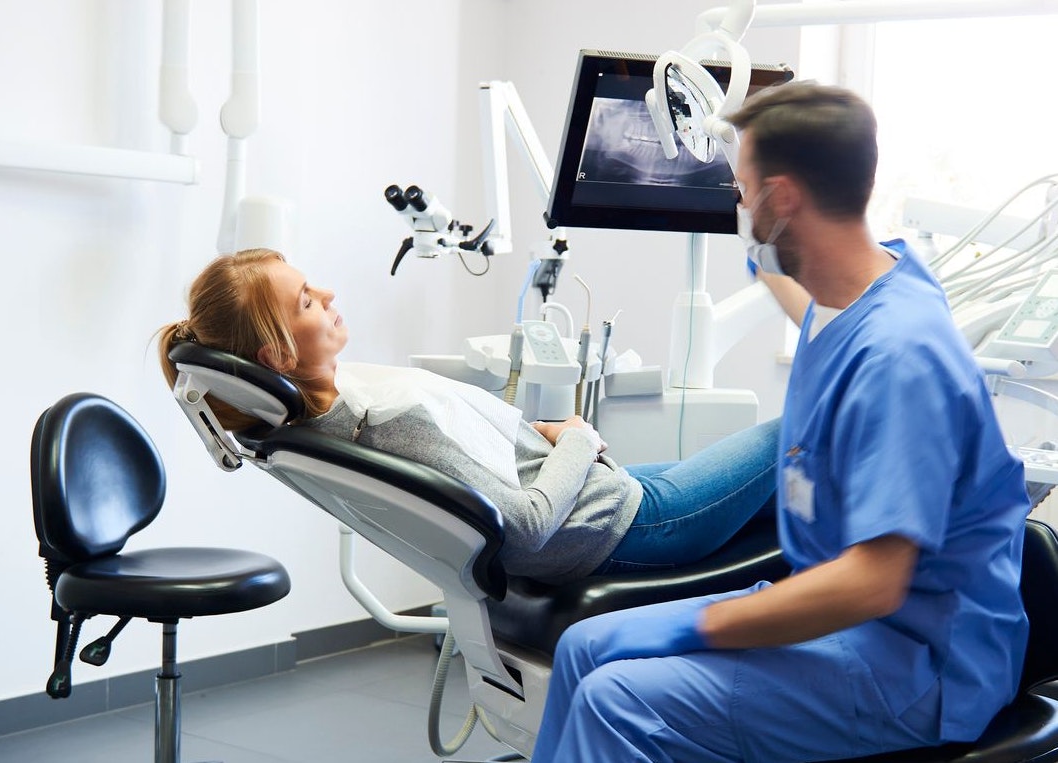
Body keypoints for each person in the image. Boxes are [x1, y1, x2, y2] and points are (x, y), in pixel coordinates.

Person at [531, 81, 1032, 762]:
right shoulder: (866, 288)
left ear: (784, 198)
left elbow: (872, 582)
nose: (738, 205)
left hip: (918, 662)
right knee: (583, 643)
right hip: (855, 626)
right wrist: (758, 245)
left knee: (617, 700)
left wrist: (711, 623)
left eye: (743, 192)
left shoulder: (900, 357)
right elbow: (806, 298)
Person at [158, 248, 780, 585]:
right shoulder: (383, 423)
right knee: (797, 436)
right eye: (307, 301)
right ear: (280, 355)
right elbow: (529, 524)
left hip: (605, 504)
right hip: (621, 525)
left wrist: (544, 445)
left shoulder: (321, 423)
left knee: (797, 499)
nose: (329, 296)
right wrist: (576, 438)